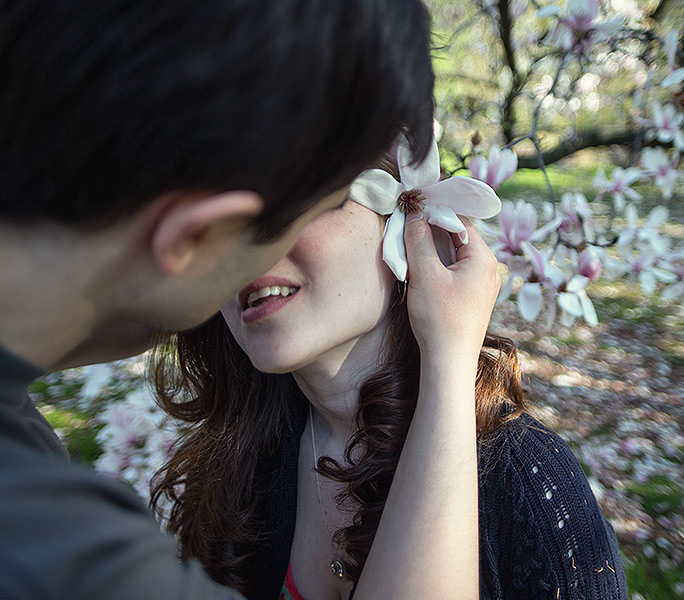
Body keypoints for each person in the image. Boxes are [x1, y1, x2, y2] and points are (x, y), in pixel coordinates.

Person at [0, 1, 498, 599]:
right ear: (194, 236)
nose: (269, 256)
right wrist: (450, 363)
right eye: (305, 207)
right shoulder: (61, 551)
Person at [150, 143, 630, 600]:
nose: (245, 251)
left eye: (299, 199)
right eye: (218, 231)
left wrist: (449, 353)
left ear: (410, 224)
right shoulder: (244, 466)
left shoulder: (527, 485)